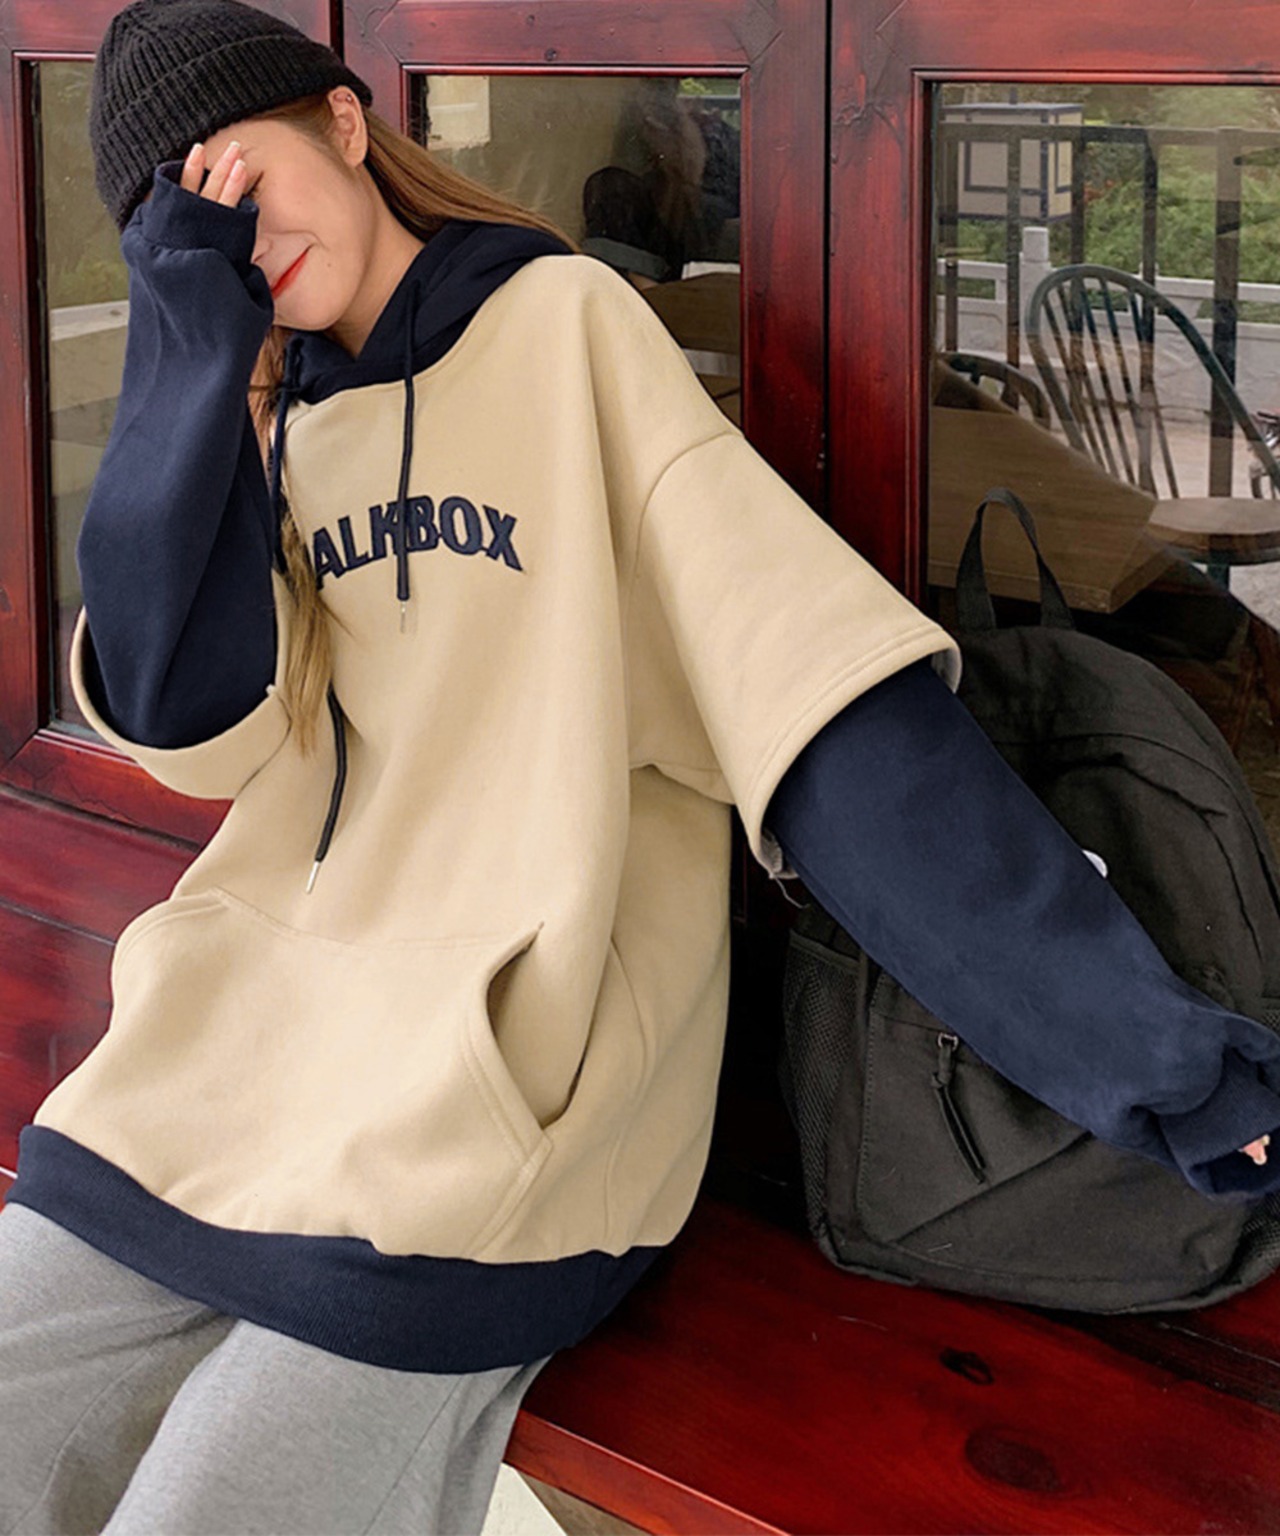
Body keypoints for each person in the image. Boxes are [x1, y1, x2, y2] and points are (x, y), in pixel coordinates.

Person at [2, 0, 1279, 1530]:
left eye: (241, 181)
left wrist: (1151, 1056)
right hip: (226, 1061)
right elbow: (187, 722)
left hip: (490, 1110)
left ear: (343, 122)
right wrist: (190, 381)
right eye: (183, 234)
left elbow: (817, 705)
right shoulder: (264, 428)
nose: (238, 245)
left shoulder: (567, 331)